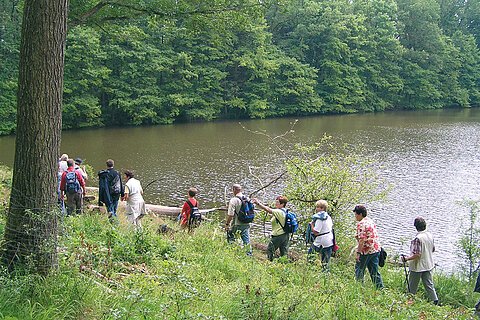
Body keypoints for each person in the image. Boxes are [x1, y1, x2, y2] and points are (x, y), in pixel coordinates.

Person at [401, 217, 439, 305]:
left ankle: (409, 303)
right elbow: (433, 249)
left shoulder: (417, 239)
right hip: (428, 265)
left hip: (418, 267)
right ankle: (435, 301)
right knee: (429, 285)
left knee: (412, 287)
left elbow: (417, 255)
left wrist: (406, 259)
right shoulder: (429, 235)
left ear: (416, 227)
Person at [353, 204, 384, 289]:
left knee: (359, 269)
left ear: (360, 214)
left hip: (366, 251)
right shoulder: (370, 221)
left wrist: (358, 253)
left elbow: (362, 240)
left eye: (356, 214)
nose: (355, 216)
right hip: (376, 249)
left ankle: (359, 288)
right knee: (374, 271)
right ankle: (380, 288)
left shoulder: (361, 224)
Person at [253, 196, 289, 261]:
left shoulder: (279, 211)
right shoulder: (285, 211)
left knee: (270, 249)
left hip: (278, 235)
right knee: (284, 253)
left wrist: (258, 203)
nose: (276, 203)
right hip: (285, 235)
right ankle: (284, 265)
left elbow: (268, 209)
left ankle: (269, 263)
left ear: (282, 204)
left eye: (277, 202)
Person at [225, 184, 252, 255]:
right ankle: (249, 255)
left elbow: (231, 215)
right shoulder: (247, 199)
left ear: (234, 190)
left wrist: (227, 224)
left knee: (230, 236)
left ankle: (231, 252)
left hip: (237, 223)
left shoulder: (233, 200)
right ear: (241, 190)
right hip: (246, 223)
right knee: (246, 240)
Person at [308, 200, 334, 269]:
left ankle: (310, 269)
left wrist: (312, 225)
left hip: (321, 240)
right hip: (329, 239)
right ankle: (325, 273)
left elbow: (316, 232)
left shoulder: (320, 219)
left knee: (310, 255)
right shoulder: (328, 217)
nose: (316, 209)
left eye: (318, 207)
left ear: (322, 208)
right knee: (326, 260)